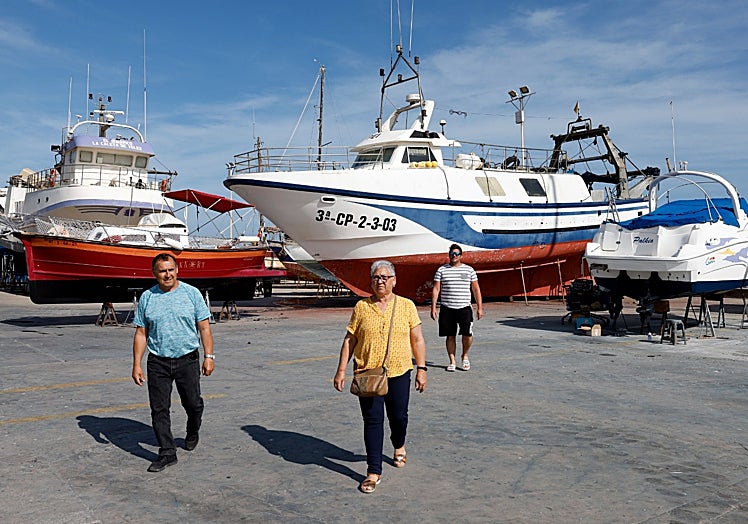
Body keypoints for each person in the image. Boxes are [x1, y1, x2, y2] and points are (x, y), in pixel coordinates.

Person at [333, 260, 427, 493]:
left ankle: (399, 444)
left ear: (394, 280)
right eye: (376, 277)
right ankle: (373, 471)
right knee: (372, 421)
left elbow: (417, 339)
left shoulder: (406, 306)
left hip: (400, 372)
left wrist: (422, 369)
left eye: (385, 277)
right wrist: (341, 370)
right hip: (368, 374)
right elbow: (350, 340)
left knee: (399, 417)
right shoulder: (362, 307)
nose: (380, 281)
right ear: (371, 281)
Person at [132, 253, 215, 472]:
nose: (167, 274)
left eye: (171, 270)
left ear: (177, 270)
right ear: (154, 274)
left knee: (193, 404)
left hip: (187, 360)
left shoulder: (192, 294)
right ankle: (167, 452)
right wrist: (137, 364)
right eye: (162, 271)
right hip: (158, 362)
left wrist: (209, 357)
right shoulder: (147, 298)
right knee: (159, 409)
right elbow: (141, 333)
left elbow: (204, 327)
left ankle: (192, 429)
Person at [430, 243, 483, 371]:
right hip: (447, 307)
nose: (454, 256)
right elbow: (436, 289)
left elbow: (476, 289)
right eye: (452, 254)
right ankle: (452, 361)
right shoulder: (441, 270)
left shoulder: (469, 270)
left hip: (464, 307)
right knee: (450, 335)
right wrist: (433, 307)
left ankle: (464, 356)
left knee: (467, 334)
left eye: (456, 254)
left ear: (461, 256)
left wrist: (479, 307)